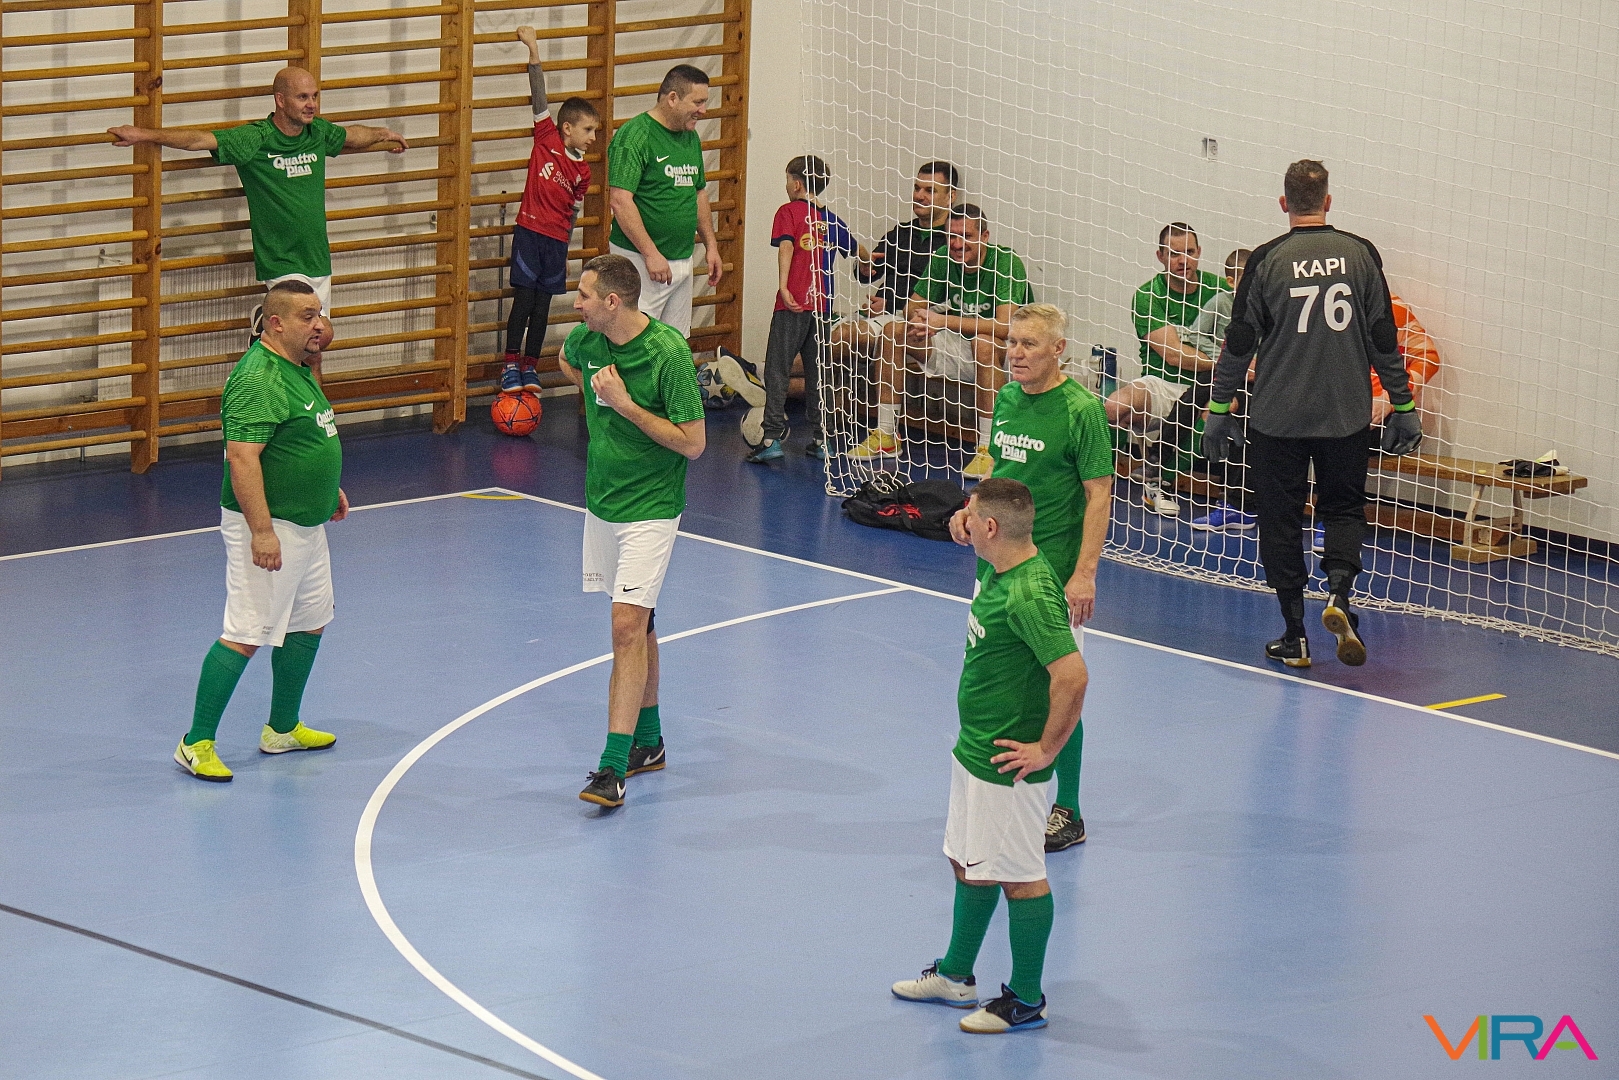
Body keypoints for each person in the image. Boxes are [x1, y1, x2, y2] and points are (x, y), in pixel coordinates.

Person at [1202, 160, 1422, 669]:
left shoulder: (1266, 259)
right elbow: (1384, 338)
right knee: (1343, 509)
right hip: (1345, 415)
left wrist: (1218, 408)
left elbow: (1239, 342)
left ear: (1284, 203)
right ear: (1328, 201)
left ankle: (1295, 635)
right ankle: (1339, 594)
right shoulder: (1360, 254)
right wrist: (1403, 405)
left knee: (1279, 520)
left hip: (1277, 418)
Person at [891, 478, 1088, 1034]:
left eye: (971, 514)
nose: (963, 520)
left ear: (993, 528)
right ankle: (956, 975)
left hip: (1007, 767)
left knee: (1021, 878)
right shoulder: (1000, 564)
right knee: (967, 860)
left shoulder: (1028, 594)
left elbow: (1072, 677)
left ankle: (1025, 998)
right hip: (976, 749)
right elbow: (978, 532)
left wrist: (1046, 750)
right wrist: (967, 523)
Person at [947, 304, 1112, 852]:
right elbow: (998, 472)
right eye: (1012, 342)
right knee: (999, 673)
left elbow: (1099, 494)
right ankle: (1007, 779)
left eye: (1028, 344)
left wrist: (1084, 573)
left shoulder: (1081, 410)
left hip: (1052, 576)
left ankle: (1070, 809)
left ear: (1057, 349)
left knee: (1058, 681)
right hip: (996, 565)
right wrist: (970, 512)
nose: (1015, 354)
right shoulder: (1007, 398)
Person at [108, 67, 407, 364]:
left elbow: (353, 136)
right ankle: (267, 330)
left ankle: (275, 348)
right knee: (313, 338)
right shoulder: (256, 138)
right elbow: (197, 140)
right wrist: (142, 135)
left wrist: (384, 135)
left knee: (315, 346)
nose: (312, 104)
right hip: (281, 257)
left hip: (316, 256)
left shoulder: (318, 132)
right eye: (303, 97)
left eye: (314, 96)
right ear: (280, 100)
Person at [173, 280, 347, 781]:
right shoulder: (259, 378)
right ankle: (195, 743)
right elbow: (243, 459)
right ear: (275, 323)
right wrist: (262, 531)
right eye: (307, 316)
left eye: (319, 314)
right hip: (272, 526)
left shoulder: (298, 365)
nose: (318, 324)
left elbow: (304, 436)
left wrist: (327, 488)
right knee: (246, 633)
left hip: (306, 523)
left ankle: (282, 729)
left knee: (309, 621)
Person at [556, 254, 706, 808]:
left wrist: (623, 405)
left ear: (612, 302)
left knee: (624, 626)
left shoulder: (667, 352)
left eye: (584, 295)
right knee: (639, 626)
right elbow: (567, 360)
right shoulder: (587, 340)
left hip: (652, 507)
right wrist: (594, 393)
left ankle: (612, 769)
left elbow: (694, 443)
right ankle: (650, 742)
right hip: (603, 503)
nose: (577, 304)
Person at [849, 204, 1033, 480]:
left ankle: (989, 449)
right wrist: (921, 321)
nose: (957, 244)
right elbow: (911, 307)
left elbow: (1007, 327)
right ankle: (886, 435)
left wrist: (942, 321)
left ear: (984, 236)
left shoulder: (1005, 261)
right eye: (952, 236)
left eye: (966, 236)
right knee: (892, 331)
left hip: (1009, 356)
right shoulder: (943, 258)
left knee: (983, 342)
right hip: (960, 346)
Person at [743, 155, 871, 464]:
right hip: (823, 307)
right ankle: (822, 439)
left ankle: (771, 438)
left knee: (777, 369)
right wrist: (868, 265)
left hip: (794, 304)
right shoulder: (832, 220)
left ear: (797, 184)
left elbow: (787, 246)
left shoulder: (787, 211)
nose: (786, 186)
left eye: (788, 180)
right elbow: (861, 252)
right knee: (818, 373)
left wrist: (784, 286)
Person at [499, 27, 602, 394]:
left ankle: (530, 366)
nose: (593, 137)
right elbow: (538, 93)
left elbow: (573, 214)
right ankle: (510, 364)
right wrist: (533, 49)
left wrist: (566, 248)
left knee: (542, 307)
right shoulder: (546, 138)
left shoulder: (583, 172)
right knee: (524, 301)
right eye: (588, 130)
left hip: (555, 244)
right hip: (530, 234)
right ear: (567, 128)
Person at [1104, 223, 1228, 518]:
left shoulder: (1221, 290)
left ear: (1199, 253)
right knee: (1114, 406)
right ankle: (1097, 478)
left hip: (1208, 386)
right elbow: (1173, 355)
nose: (1183, 260)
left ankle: (1157, 481)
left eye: (1189, 252)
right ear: (1160, 256)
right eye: (1174, 254)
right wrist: (1228, 362)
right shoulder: (1148, 295)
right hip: (1162, 384)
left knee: (1213, 411)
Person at [606, 64, 723, 339]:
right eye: (697, 102)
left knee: (674, 343)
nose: (703, 111)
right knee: (635, 342)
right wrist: (651, 254)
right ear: (672, 98)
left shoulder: (690, 137)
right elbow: (620, 201)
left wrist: (711, 246)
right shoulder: (635, 136)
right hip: (640, 261)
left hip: (681, 259)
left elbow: (698, 193)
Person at [826, 161, 960, 363]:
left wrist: (891, 307)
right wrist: (864, 267)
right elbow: (867, 274)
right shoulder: (901, 233)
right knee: (813, 338)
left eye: (929, 191)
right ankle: (780, 375)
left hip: (913, 326)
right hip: (874, 318)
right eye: (917, 188)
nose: (919, 196)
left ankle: (777, 374)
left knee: (842, 336)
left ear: (951, 196)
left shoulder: (955, 243)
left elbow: (950, 302)